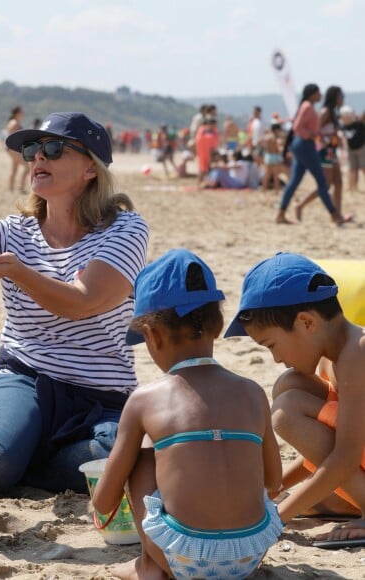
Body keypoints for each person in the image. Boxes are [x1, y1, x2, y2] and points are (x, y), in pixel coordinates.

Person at [0, 111, 149, 496]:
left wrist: (19, 272)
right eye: (32, 150)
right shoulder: (14, 232)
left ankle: (24, 454)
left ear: (90, 168)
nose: (38, 158)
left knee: (120, 458)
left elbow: (83, 302)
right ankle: (11, 448)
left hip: (101, 397)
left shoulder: (124, 229)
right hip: (24, 377)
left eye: (53, 149)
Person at [93, 249, 282, 580]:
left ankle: (148, 566)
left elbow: (103, 502)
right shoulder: (253, 391)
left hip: (181, 558)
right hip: (251, 555)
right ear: (219, 324)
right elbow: (273, 481)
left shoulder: (144, 400)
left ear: (151, 334)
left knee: (141, 457)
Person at [225, 252, 365, 548]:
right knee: (289, 385)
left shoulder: (358, 353)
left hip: (353, 457)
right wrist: (272, 491)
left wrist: (277, 518)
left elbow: (346, 456)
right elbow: (329, 446)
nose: (276, 358)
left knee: (287, 412)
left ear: (306, 323)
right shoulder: (336, 357)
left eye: (272, 345)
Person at [276, 84, 346, 225]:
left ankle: (281, 213)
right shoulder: (308, 107)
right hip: (305, 145)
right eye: (318, 93)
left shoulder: (307, 106)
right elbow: (297, 127)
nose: (320, 95)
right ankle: (334, 214)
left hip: (302, 145)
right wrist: (313, 136)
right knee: (322, 182)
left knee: (295, 182)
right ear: (312, 94)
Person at [294, 86, 350, 222]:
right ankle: (300, 205)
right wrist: (326, 138)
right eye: (341, 95)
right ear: (335, 97)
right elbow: (315, 130)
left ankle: (338, 214)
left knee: (339, 182)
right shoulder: (325, 112)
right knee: (326, 184)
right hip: (325, 151)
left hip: (332, 151)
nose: (343, 98)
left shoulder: (332, 112)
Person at [340, 105, 365, 192]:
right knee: (352, 169)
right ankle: (352, 188)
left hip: (361, 148)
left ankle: (353, 187)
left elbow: (363, 117)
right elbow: (342, 137)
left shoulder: (358, 124)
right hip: (351, 149)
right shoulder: (343, 126)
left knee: (363, 168)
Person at [5, 105, 29, 194]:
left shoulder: (13, 122)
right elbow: (13, 136)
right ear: (17, 113)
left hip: (12, 148)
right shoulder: (14, 123)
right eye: (22, 112)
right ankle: (20, 188)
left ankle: (10, 188)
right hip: (13, 148)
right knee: (27, 167)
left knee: (14, 169)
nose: (23, 114)